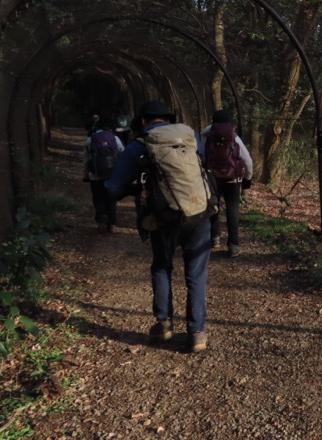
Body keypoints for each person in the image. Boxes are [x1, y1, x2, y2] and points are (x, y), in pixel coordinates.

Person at [104, 100, 212, 353]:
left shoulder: (137, 146)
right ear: (169, 119)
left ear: (143, 121)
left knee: (162, 266)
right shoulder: (190, 137)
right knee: (196, 273)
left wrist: (130, 189)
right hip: (199, 213)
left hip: (164, 218)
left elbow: (113, 187)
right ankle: (197, 332)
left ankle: (164, 323)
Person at [200, 109, 253, 258]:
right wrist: (247, 178)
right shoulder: (234, 137)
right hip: (233, 179)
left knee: (213, 206)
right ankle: (233, 245)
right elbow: (247, 160)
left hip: (212, 178)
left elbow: (201, 156)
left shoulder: (206, 136)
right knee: (233, 210)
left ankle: (214, 238)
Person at [83, 117, 124, 233]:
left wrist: (86, 175)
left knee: (98, 198)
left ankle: (101, 219)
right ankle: (112, 224)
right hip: (112, 174)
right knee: (111, 199)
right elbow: (122, 153)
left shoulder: (90, 140)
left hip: (95, 176)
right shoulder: (115, 138)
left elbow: (86, 160)